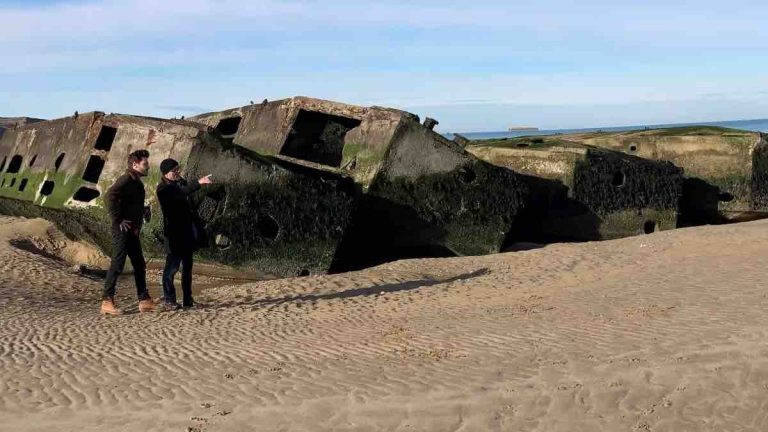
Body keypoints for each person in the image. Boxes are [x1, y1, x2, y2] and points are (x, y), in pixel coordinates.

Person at [100, 149, 154, 315]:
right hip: (122, 230)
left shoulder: (136, 181)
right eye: (145, 164)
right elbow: (109, 196)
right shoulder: (126, 179)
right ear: (135, 164)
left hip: (132, 230)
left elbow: (130, 203)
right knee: (117, 263)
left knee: (139, 264)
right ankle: (106, 301)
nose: (148, 166)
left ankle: (144, 299)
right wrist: (118, 219)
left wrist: (142, 211)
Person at [156, 158, 212, 310]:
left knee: (188, 269)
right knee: (171, 269)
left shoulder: (180, 183)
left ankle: (188, 300)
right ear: (166, 173)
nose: (177, 173)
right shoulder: (163, 189)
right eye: (174, 171)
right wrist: (198, 183)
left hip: (187, 234)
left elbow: (188, 197)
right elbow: (181, 193)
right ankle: (169, 300)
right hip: (174, 236)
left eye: (178, 169)